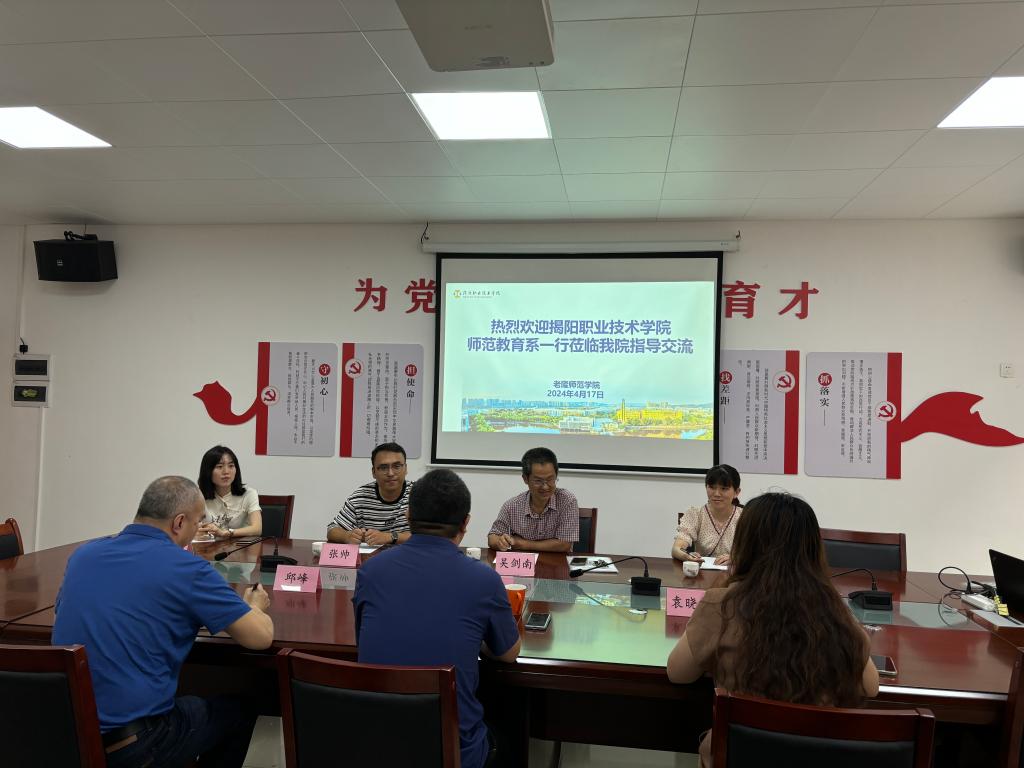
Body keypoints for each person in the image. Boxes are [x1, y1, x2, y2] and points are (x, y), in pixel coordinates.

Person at [53, 476, 274, 768]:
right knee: (239, 711)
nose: (197, 530)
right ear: (179, 523)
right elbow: (260, 638)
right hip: (134, 745)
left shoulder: (83, 555)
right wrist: (255, 606)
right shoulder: (187, 568)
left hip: (63, 737)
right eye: (198, 522)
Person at [666, 492, 879, 767]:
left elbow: (678, 673)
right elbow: (870, 687)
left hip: (741, 755)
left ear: (745, 545)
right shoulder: (832, 609)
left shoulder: (722, 604)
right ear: (813, 549)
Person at [354, 468, 521, 768]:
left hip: (377, 745)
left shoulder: (371, 570)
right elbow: (508, 654)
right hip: (453, 752)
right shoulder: (484, 579)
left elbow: (363, 637)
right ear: (465, 523)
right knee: (510, 727)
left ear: (408, 515)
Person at [487, 447, 579, 553]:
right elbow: (492, 538)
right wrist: (500, 542)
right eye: (538, 481)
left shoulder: (567, 501)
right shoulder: (512, 505)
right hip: (524, 563)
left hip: (557, 562)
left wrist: (523, 544)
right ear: (525, 479)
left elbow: (564, 545)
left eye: (550, 479)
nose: (545, 487)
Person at [327, 442, 413, 546]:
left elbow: (428, 536)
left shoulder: (419, 494)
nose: (390, 473)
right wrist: (347, 536)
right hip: (372, 556)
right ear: (373, 472)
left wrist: (390, 537)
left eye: (397, 466)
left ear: (406, 469)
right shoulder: (361, 496)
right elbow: (332, 529)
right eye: (383, 468)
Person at [671, 464, 743, 566]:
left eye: (724, 488)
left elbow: (758, 553)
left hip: (736, 573)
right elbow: (676, 549)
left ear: (736, 492)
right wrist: (687, 556)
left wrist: (736, 558)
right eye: (712, 487)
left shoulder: (746, 516)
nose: (717, 494)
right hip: (702, 573)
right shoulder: (695, 514)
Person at [197, 445, 262, 539]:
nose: (226, 472)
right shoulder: (198, 496)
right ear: (208, 471)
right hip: (209, 546)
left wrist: (226, 533)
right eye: (219, 466)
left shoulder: (249, 494)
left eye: (231, 466)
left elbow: (257, 529)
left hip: (240, 546)